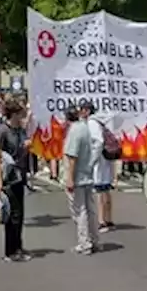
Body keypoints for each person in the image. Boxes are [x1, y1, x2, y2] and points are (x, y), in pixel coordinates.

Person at [0, 100, 30, 262]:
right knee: (12, 213)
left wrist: (25, 149)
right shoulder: (2, 131)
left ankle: (17, 246)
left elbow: (19, 154)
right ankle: (10, 250)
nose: (23, 116)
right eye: (20, 113)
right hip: (8, 176)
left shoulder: (20, 130)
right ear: (13, 114)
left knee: (19, 214)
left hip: (19, 174)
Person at [63, 99, 103, 254]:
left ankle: (84, 242)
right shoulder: (84, 128)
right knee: (90, 209)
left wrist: (70, 178)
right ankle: (94, 240)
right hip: (86, 173)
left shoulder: (74, 131)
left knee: (80, 211)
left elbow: (72, 156)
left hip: (78, 175)